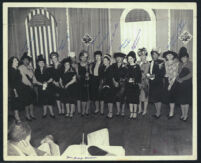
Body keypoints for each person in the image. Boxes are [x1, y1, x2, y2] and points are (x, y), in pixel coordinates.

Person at [18, 52, 42, 121]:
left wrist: (37, 83)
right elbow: (23, 78)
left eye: (28, 60)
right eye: (25, 60)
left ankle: (32, 114)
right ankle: (27, 115)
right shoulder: (20, 67)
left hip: (31, 86)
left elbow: (33, 77)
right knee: (26, 102)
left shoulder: (30, 67)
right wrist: (30, 84)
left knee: (31, 101)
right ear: (22, 60)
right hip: (25, 86)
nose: (27, 61)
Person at [147, 49, 165, 119]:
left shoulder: (161, 62)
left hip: (158, 83)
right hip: (152, 83)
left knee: (158, 98)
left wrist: (151, 77)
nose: (154, 56)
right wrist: (148, 76)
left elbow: (162, 73)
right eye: (152, 54)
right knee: (154, 98)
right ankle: (157, 112)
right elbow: (148, 72)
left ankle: (158, 112)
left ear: (158, 55)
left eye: (155, 54)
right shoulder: (150, 62)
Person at [176, 47, 192, 121]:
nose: (183, 59)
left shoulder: (190, 64)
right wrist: (177, 79)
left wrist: (182, 79)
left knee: (186, 101)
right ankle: (182, 114)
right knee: (181, 101)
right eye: (182, 57)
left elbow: (191, 74)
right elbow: (177, 73)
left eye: (185, 57)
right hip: (180, 84)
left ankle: (186, 115)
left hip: (187, 84)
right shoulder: (179, 64)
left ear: (187, 58)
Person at [110, 52, 127, 118]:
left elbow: (126, 76)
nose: (119, 59)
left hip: (122, 84)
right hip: (115, 83)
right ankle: (118, 111)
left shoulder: (125, 65)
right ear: (115, 58)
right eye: (117, 57)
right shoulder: (113, 65)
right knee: (117, 97)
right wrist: (114, 82)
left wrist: (120, 82)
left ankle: (122, 111)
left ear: (123, 58)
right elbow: (111, 75)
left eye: (120, 57)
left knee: (123, 98)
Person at [163, 50, 179, 119]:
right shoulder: (166, 63)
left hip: (173, 82)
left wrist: (170, 84)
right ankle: (170, 111)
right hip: (168, 81)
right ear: (166, 56)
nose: (169, 56)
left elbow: (175, 75)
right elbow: (167, 73)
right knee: (169, 97)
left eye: (171, 55)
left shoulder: (176, 63)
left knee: (172, 97)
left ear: (173, 56)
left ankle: (171, 113)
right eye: (168, 55)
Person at [125, 51, 142, 119]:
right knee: (130, 99)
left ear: (134, 58)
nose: (129, 60)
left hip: (135, 86)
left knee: (135, 100)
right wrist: (127, 79)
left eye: (131, 58)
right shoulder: (127, 66)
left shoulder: (137, 66)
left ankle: (135, 112)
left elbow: (139, 76)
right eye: (128, 59)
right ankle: (131, 112)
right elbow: (124, 76)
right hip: (128, 86)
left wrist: (134, 80)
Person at [8, 57, 23, 122]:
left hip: (19, 89)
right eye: (15, 61)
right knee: (15, 104)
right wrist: (15, 92)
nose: (17, 61)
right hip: (15, 90)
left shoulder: (17, 70)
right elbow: (12, 83)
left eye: (17, 60)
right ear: (11, 62)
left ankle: (17, 116)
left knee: (18, 104)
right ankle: (17, 118)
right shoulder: (11, 70)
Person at [76, 51, 91, 116]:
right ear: (80, 57)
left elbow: (91, 74)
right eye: (83, 57)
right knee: (82, 98)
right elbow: (77, 75)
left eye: (86, 57)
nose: (84, 58)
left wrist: (88, 76)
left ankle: (87, 110)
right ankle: (83, 111)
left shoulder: (89, 65)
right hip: (80, 83)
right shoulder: (77, 65)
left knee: (88, 97)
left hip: (88, 82)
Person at [137, 48, 150, 115]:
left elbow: (145, 73)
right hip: (138, 81)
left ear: (146, 56)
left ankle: (145, 110)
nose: (142, 57)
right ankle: (139, 109)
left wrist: (139, 74)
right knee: (138, 96)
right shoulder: (137, 62)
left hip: (145, 81)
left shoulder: (147, 63)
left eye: (144, 55)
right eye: (141, 55)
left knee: (145, 96)